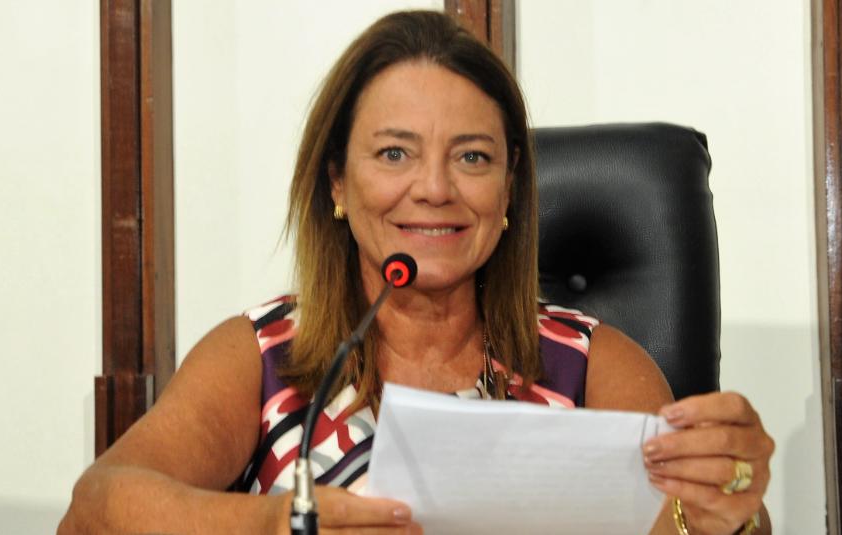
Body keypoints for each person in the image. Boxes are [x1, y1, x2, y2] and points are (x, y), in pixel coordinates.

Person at [59, 10, 774, 535]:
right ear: (337, 182)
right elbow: (92, 513)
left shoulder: (591, 368)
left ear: (509, 190)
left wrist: (728, 512)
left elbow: (679, 523)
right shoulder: (264, 358)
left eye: (472, 157)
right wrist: (279, 522)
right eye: (395, 153)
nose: (434, 189)